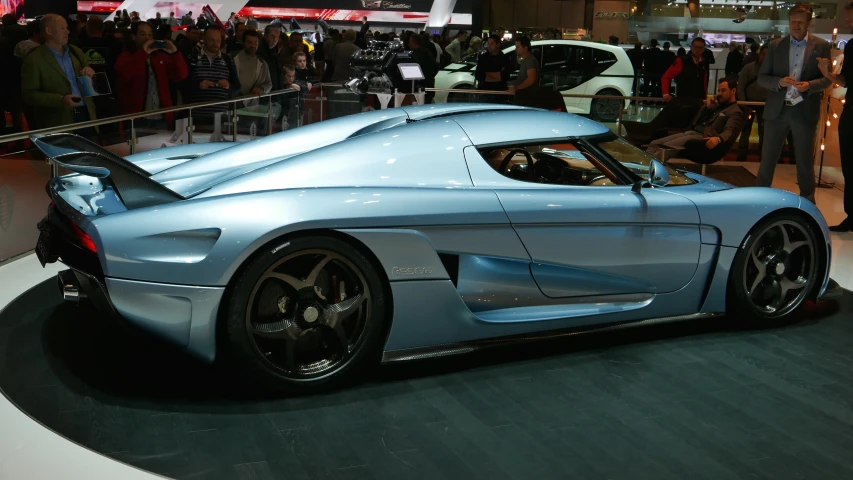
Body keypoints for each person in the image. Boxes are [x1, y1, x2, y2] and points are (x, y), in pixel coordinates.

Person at [756, 3, 832, 203]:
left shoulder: (822, 46)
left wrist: (810, 85)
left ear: (809, 23)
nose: (796, 26)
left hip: (804, 110)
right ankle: (758, 201)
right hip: (777, 111)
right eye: (792, 22)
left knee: (805, 163)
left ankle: (808, 203)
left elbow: (827, 79)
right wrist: (778, 82)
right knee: (767, 161)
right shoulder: (775, 45)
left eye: (800, 22)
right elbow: (762, 77)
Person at [21, 14, 97, 132]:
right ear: (49, 30)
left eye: (67, 28)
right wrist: (60, 99)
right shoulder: (33, 59)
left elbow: (91, 81)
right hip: (57, 122)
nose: (67, 31)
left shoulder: (75, 51)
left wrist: (89, 74)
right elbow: (29, 95)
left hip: (87, 116)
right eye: (62, 28)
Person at [816, 2, 853, 231]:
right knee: (848, 164)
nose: (848, 22)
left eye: (851, 18)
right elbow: (846, 80)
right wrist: (829, 75)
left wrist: (828, 74)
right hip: (851, 111)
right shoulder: (850, 46)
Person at [646, 77, 744, 160]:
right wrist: (708, 107)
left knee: (665, 148)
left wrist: (718, 139)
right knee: (655, 143)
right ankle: (643, 167)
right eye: (719, 91)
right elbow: (697, 120)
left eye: (723, 90)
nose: (719, 94)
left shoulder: (735, 111)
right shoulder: (717, 105)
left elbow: (729, 131)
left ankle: (648, 170)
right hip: (692, 131)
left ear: (733, 91)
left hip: (701, 137)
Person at [661, 37, 709, 102]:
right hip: (683, 101)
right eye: (695, 47)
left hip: (699, 100)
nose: (697, 49)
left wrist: (705, 97)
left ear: (703, 49)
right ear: (691, 47)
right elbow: (666, 77)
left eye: (700, 48)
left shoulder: (703, 63)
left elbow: (704, 83)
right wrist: (665, 94)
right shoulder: (681, 61)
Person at [508, 36, 538, 106]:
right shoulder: (526, 60)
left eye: (518, 47)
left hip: (527, 96)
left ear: (525, 48)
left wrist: (516, 88)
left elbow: (531, 79)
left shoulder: (530, 60)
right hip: (525, 95)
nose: (516, 50)